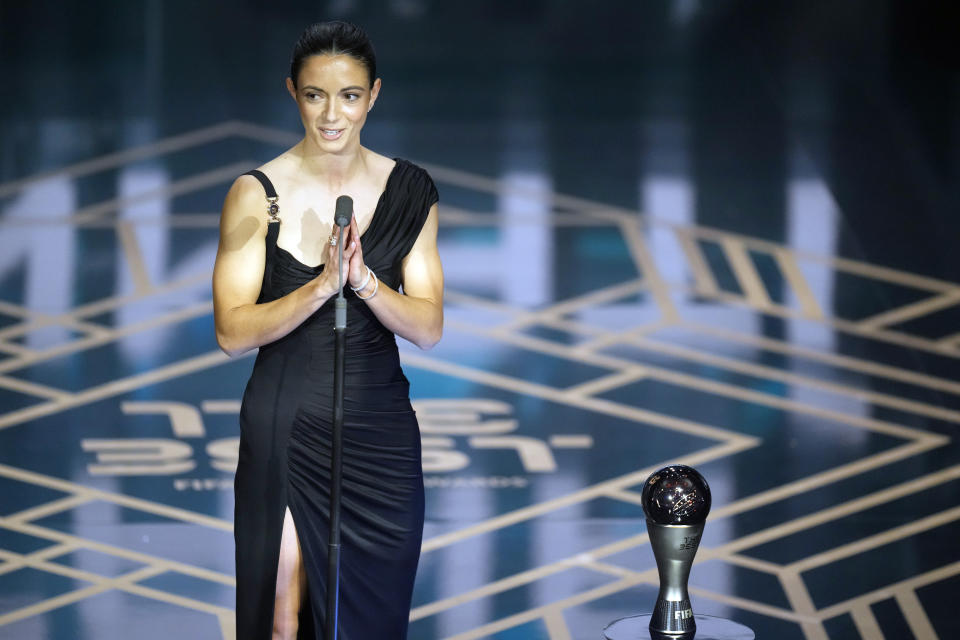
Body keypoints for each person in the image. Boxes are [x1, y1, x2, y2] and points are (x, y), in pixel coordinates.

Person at [212, 21, 443, 640]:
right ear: (293, 93)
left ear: (373, 96)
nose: (332, 113)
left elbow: (428, 327)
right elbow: (232, 332)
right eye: (316, 94)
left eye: (348, 95)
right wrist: (319, 287)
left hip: (381, 432)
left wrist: (364, 281)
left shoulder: (411, 191)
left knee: (370, 616)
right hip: (288, 423)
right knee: (283, 617)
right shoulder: (257, 195)